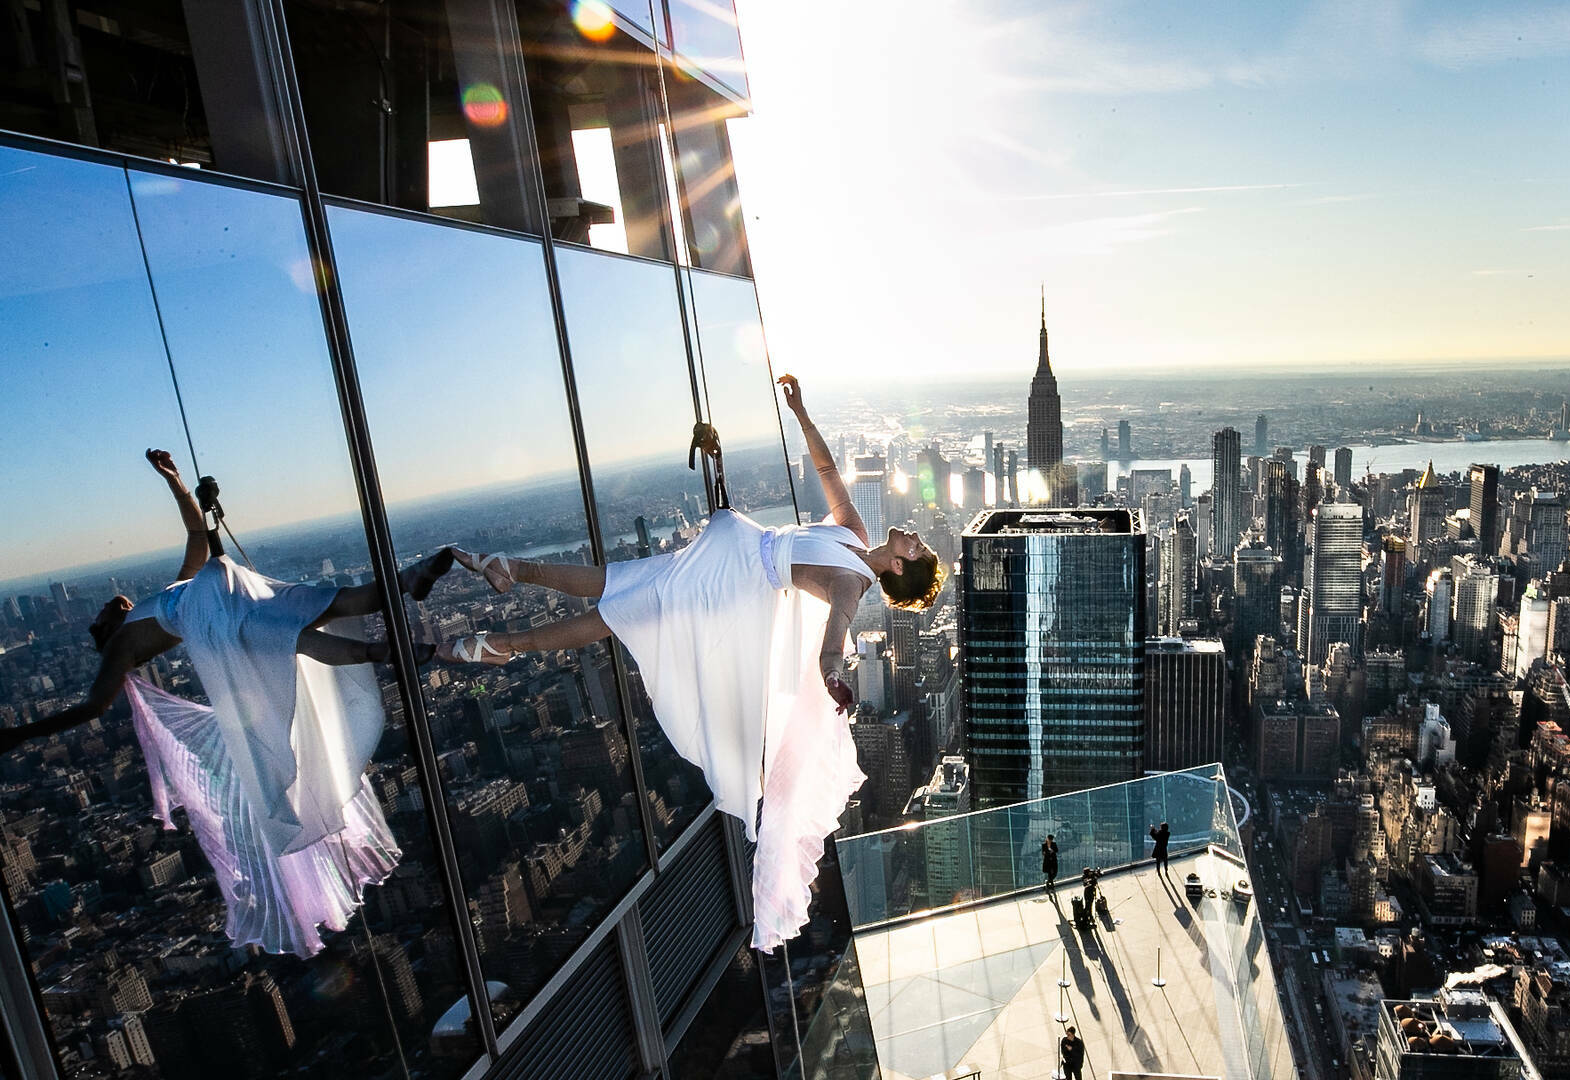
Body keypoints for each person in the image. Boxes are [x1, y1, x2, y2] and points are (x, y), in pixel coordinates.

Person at [437, 379, 946, 950]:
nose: (917, 539)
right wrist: (801, 411)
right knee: (626, 591)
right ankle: (507, 607)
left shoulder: (852, 583)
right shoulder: (854, 536)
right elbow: (828, 473)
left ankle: (508, 623)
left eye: (919, 551)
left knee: (627, 602)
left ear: (899, 570)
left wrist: (831, 677)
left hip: (728, 582)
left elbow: (833, 640)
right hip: (733, 553)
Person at [0, 450, 455, 956]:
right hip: (215, 599)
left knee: (296, 630)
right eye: (106, 609)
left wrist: (175, 482)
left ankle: (389, 636)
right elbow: (90, 707)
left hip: (214, 598)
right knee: (313, 609)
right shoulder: (119, 647)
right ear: (103, 630)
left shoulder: (160, 601)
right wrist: (17, 734)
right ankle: (404, 584)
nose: (112, 601)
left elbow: (196, 538)